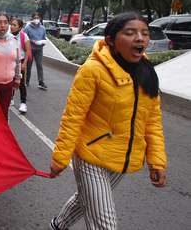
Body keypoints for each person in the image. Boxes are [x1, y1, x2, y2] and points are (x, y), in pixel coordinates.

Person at [49, 12, 167, 230]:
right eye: (130, 33)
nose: (140, 39)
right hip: (90, 156)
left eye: (144, 33)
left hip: (121, 159)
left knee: (86, 200)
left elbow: (152, 121)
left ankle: (57, 225)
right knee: (105, 224)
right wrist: (61, 157)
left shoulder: (147, 71)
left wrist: (156, 161)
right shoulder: (92, 70)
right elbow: (73, 117)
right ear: (111, 40)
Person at [10, 18, 31, 113]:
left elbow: (28, 50)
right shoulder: (7, 35)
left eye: (14, 25)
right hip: (9, 61)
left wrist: (25, 63)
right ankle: (11, 98)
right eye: (11, 24)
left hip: (20, 61)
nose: (12, 27)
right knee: (10, 81)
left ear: (20, 27)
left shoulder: (24, 36)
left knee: (21, 82)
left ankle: (23, 103)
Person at [25, 12, 47, 90]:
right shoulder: (28, 28)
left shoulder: (42, 28)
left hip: (39, 49)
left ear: (40, 19)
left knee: (39, 65)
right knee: (28, 66)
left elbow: (44, 38)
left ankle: (41, 82)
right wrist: (33, 41)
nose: (37, 19)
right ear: (32, 19)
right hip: (30, 49)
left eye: (38, 18)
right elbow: (25, 38)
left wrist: (43, 42)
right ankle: (26, 81)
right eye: (35, 18)